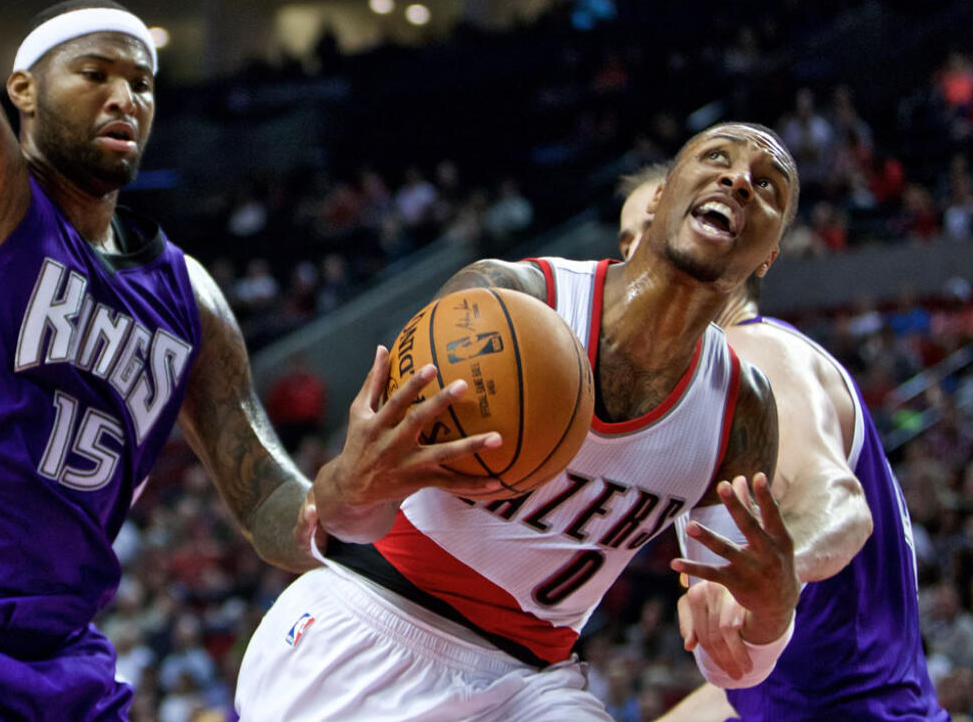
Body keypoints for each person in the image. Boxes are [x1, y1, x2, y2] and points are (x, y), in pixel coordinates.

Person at [0, 0, 497, 718]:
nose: (124, 96)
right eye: (93, 72)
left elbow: (265, 501)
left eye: (144, 82)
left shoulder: (189, 296)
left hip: (66, 667)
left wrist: (344, 498)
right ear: (21, 89)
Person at [236, 122, 805, 720]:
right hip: (375, 622)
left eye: (768, 186)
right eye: (717, 156)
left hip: (532, 681)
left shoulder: (742, 409)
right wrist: (352, 485)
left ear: (768, 255)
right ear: (660, 197)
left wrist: (771, 615)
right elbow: (341, 514)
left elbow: (731, 666)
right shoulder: (506, 298)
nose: (739, 180)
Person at [618, 165, 947, 720]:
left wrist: (773, 574)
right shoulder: (711, 388)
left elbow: (838, 504)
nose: (635, 255)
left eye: (654, 224)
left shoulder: (757, 355)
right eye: (625, 242)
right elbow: (753, 686)